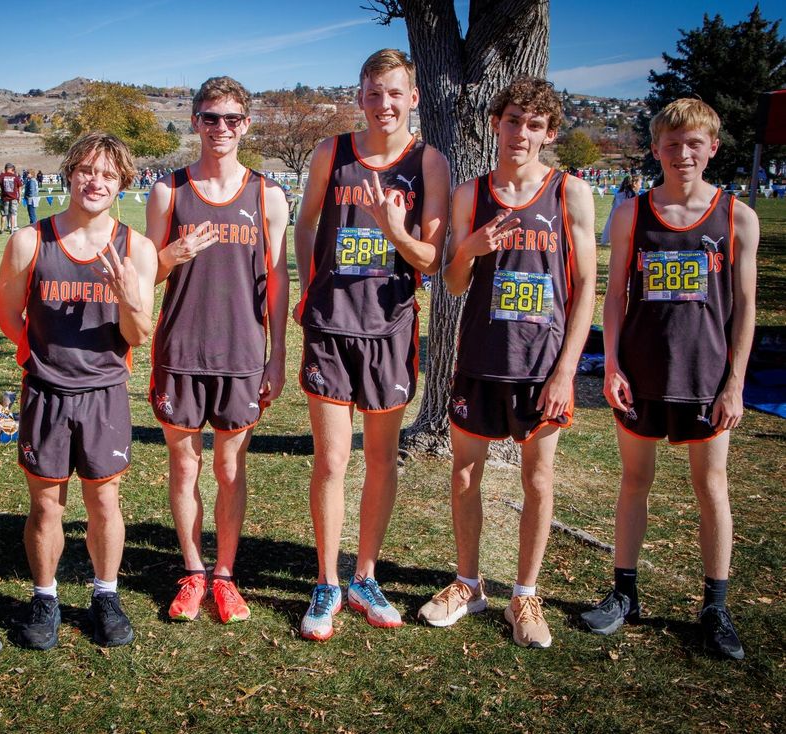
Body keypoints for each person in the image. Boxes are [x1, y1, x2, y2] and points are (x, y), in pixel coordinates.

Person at [417, 76, 596, 649]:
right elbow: (452, 282)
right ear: (496, 124)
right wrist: (470, 249)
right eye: (513, 120)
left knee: (537, 479)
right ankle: (468, 584)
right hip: (481, 357)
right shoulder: (471, 194)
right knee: (464, 474)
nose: (521, 133)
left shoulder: (570, 193)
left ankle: (525, 594)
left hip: (542, 366)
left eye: (534, 125)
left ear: (549, 134)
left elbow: (586, 288)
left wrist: (567, 370)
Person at [581, 99, 758, 660]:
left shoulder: (738, 217)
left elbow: (746, 308)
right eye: (672, 144)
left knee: (712, 487)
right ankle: (624, 593)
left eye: (694, 144)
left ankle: (715, 607)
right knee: (635, 480)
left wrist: (735, 383)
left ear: (713, 148)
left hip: (706, 377)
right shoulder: (632, 213)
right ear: (656, 149)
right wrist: (612, 364)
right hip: (641, 374)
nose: (683, 154)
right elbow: (614, 297)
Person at [293, 49, 448, 641]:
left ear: (413, 98)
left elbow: (430, 259)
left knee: (381, 459)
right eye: (374, 92)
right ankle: (327, 581)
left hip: (390, 328)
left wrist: (394, 232)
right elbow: (306, 223)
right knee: (332, 460)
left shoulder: (428, 163)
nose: (384, 104)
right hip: (331, 326)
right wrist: (308, 287)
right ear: (360, 97)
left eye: (395, 93)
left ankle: (365, 576)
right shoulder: (331, 152)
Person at [0, 132, 157, 649]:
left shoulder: (137, 249)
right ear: (70, 173)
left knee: (104, 501)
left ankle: (105, 595)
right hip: (46, 391)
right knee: (46, 506)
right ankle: (45, 598)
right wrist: (44, 358)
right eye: (87, 170)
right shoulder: (30, 241)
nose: (96, 181)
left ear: (122, 184)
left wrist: (128, 298)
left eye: (108, 174)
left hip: (104, 393)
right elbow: (7, 315)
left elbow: (139, 334)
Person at [145, 76, 289, 625]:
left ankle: (225, 574)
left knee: (230, 468)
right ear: (195, 122)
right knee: (185, 467)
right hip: (180, 350)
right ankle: (193, 571)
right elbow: (145, 274)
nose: (220, 128)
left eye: (231, 119)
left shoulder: (266, 194)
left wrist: (277, 355)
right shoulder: (169, 190)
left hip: (242, 353)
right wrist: (171, 254)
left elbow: (278, 281)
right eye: (210, 118)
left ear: (246, 125)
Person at [600, 175, 642, 245]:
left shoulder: (619, 195)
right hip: (626, 226)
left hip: (616, 224)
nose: (640, 186)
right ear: (634, 184)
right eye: (640, 183)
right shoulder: (633, 197)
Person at [0, 163, 22, 233]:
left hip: (4, 198)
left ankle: (2, 229)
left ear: (5, 168)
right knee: (13, 214)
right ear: (11, 169)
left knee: (3, 214)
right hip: (14, 198)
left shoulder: (1, 176)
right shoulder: (15, 177)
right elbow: (20, 187)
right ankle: (12, 229)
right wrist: (19, 197)